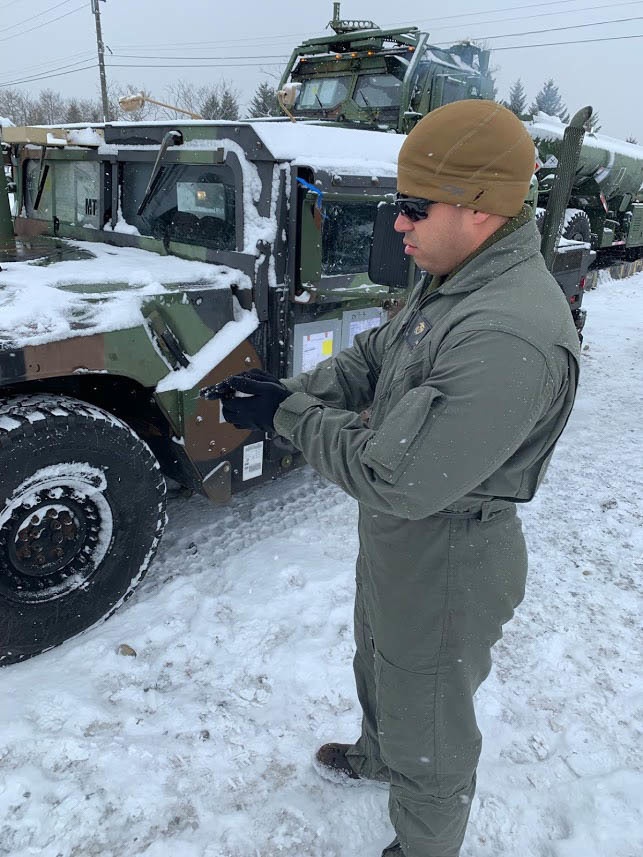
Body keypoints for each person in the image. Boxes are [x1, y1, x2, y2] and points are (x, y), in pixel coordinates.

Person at [203, 100, 581, 857]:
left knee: (429, 725)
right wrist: (299, 390)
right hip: (405, 542)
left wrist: (288, 419)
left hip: (448, 554)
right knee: (378, 658)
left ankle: (422, 844)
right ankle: (379, 753)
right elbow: (378, 353)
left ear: (477, 208)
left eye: (411, 207)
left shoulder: (505, 332)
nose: (396, 225)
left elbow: (400, 478)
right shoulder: (452, 278)